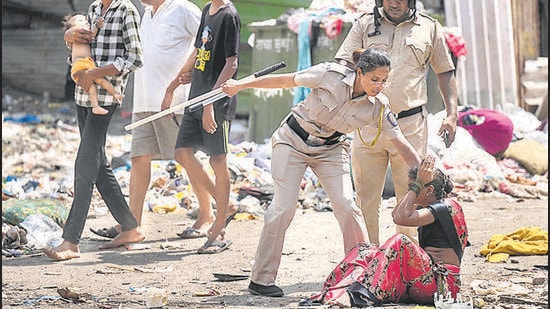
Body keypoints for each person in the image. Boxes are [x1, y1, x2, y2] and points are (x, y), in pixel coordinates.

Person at [221, 48, 421, 297]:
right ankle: (261, 280)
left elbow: (400, 142)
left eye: (384, 80)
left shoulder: (378, 107)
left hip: (331, 149)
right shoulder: (330, 75)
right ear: (359, 72)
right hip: (292, 141)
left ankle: (358, 274)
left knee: (347, 205)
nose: (379, 86)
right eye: (374, 79)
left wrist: (424, 173)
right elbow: (285, 80)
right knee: (283, 208)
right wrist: (241, 85)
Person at [335, 0, 459, 245]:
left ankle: (405, 258)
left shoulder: (429, 27)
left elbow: (444, 70)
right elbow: (344, 65)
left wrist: (452, 114)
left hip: (410, 124)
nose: (394, 2)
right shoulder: (364, 24)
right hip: (367, 125)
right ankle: (367, 258)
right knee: (365, 198)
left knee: (412, 194)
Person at [88, 0, 202, 240]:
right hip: (144, 99)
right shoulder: (145, 14)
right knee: (139, 158)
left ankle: (209, 215)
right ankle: (133, 225)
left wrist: (195, 71)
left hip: (174, 101)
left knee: (186, 158)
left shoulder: (183, 9)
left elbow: (206, 42)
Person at [42, 0, 144, 261]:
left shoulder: (126, 10)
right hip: (83, 96)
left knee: (85, 165)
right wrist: (70, 40)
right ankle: (130, 227)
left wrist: (96, 72)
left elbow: (135, 57)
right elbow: (82, 49)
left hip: (106, 99)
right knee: (98, 167)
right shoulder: (95, 8)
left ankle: (71, 241)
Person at [300, 154, 469, 307]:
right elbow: (396, 213)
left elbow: (400, 218)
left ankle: (359, 296)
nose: (410, 190)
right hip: (424, 280)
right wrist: (418, 185)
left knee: (400, 241)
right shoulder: (431, 206)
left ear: (429, 190)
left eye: (414, 187)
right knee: (364, 250)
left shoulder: (446, 207)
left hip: (441, 285)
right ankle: (335, 292)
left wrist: (417, 185)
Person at [161, 0, 240, 253]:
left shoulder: (229, 16)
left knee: (218, 162)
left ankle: (218, 230)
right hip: (197, 96)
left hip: (216, 101)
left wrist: (210, 102)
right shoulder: (207, 10)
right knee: (182, 153)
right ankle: (223, 204)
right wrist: (173, 86)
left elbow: (232, 64)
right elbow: (198, 50)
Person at [62, 13, 124, 115]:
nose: (85, 21)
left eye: (85, 19)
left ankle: (101, 103)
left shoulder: (84, 36)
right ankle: (113, 94)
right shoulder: (75, 36)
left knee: (94, 85)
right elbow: (89, 34)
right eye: (80, 21)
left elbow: (92, 34)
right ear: (72, 29)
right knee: (99, 80)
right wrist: (97, 26)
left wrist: (97, 26)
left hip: (85, 66)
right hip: (80, 65)